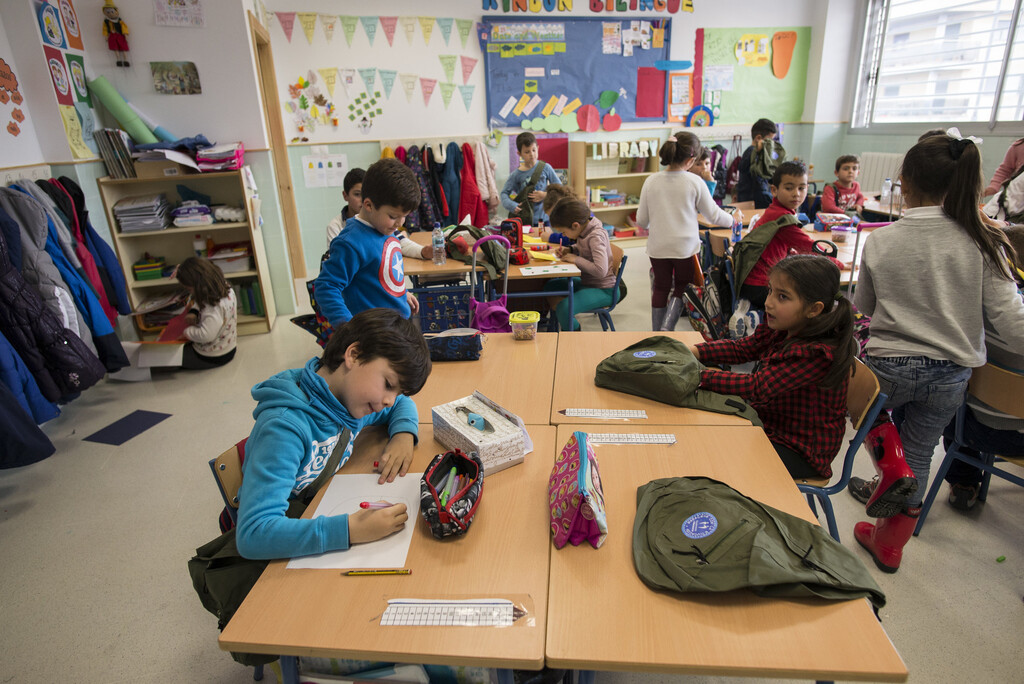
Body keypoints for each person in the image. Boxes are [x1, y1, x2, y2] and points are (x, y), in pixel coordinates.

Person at [850, 131, 1024, 572]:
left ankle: (888, 467)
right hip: (951, 374)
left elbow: (864, 308)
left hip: (888, 365)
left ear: (904, 182)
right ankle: (889, 545)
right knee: (922, 451)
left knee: (857, 401)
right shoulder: (987, 241)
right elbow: (1011, 323)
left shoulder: (883, 240)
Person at [235, 308, 430, 560]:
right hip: (285, 540)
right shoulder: (285, 429)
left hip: (318, 508)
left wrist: (403, 433)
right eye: (389, 384)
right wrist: (350, 531)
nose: (390, 401)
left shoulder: (348, 401)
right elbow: (254, 534)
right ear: (354, 354)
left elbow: (403, 405)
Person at [689, 255, 854, 480]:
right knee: (706, 427)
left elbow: (757, 386)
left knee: (714, 451)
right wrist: (697, 351)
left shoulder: (816, 353)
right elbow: (743, 349)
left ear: (814, 309)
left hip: (799, 451)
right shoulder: (784, 327)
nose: (768, 302)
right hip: (771, 424)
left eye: (782, 296)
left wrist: (699, 376)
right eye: (770, 291)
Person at [637, 131, 740, 331]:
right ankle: (668, 327)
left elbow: (642, 221)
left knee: (660, 286)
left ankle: (657, 331)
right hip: (685, 248)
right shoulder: (694, 182)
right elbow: (713, 215)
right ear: (691, 159)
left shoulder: (651, 181)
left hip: (658, 246)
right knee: (682, 286)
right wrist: (733, 219)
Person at [312, 159, 421, 337]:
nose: (400, 223)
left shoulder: (384, 226)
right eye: (394, 216)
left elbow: (382, 272)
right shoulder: (350, 242)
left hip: (397, 323)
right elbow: (326, 286)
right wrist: (349, 327)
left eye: (404, 217)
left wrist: (401, 294)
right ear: (368, 205)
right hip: (373, 334)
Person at [739, 160, 846, 309]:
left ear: (807, 188)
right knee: (810, 305)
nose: (796, 193)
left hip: (755, 282)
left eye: (801, 188)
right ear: (774, 190)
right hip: (760, 286)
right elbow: (811, 248)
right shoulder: (782, 219)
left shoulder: (776, 211)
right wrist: (839, 264)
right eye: (789, 188)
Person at [542, 198, 618, 332]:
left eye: (564, 232)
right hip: (588, 282)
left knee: (564, 309)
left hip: (605, 289)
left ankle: (575, 335)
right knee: (550, 286)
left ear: (575, 225)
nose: (564, 235)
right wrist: (571, 249)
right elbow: (585, 247)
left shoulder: (595, 236)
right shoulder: (586, 230)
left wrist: (575, 259)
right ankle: (555, 325)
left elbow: (601, 270)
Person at [175, 257, 237, 370]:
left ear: (199, 287)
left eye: (190, 290)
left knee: (170, 358)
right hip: (228, 347)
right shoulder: (225, 288)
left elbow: (206, 335)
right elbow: (201, 301)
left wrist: (187, 332)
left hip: (212, 356)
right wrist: (194, 311)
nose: (190, 293)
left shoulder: (211, 307)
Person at [500, 132, 561, 225]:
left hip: (544, 219)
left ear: (538, 148)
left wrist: (545, 195)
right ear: (519, 153)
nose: (532, 154)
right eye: (527, 152)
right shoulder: (516, 174)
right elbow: (504, 193)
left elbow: (560, 189)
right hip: (524, 220)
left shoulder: (546, 167)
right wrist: (512, 205)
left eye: (534, 150)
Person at [735, 118, 777, 209]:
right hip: (751, 203)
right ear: (758, 138)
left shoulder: (758, 154)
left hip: (754, 200)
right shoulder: (752, 155)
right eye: (769, 141)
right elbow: (759, 185)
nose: (771, 145)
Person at [325, 168, 365, 246]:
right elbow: (337, 256)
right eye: (357, 194)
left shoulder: (376, 221)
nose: (363, 200)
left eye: (366, 193)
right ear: (345, 195)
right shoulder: (335, 226)